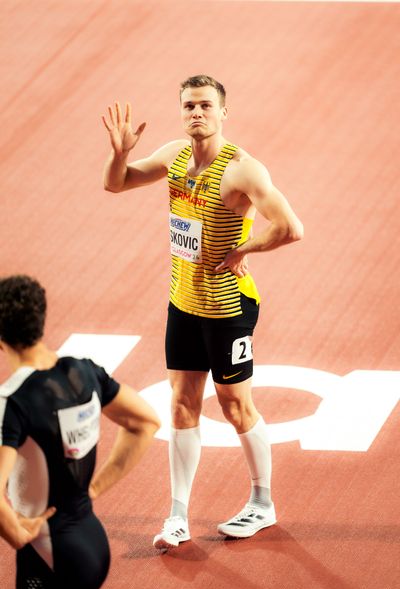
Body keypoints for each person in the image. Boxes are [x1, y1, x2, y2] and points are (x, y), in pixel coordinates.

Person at [102, 74, 304, 550]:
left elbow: (291, 227)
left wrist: (243, 248)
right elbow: (117, 184)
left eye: (206, 106)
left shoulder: (242, 170)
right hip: (184, 302)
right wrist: (120, 153)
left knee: (235, 406)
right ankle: (177, 516)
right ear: (181, 111)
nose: (197, 113)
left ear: (223, 112)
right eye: (189, 106)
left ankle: (262, 503)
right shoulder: (174, 156)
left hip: (229, 307)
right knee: (181, 404)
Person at [0, 275, 160, 589]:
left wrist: (16, 534)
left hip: (49, 552)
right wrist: (94, 488)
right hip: (92, 540)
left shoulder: (13, 400)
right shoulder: (85, 371)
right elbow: (146, 422)